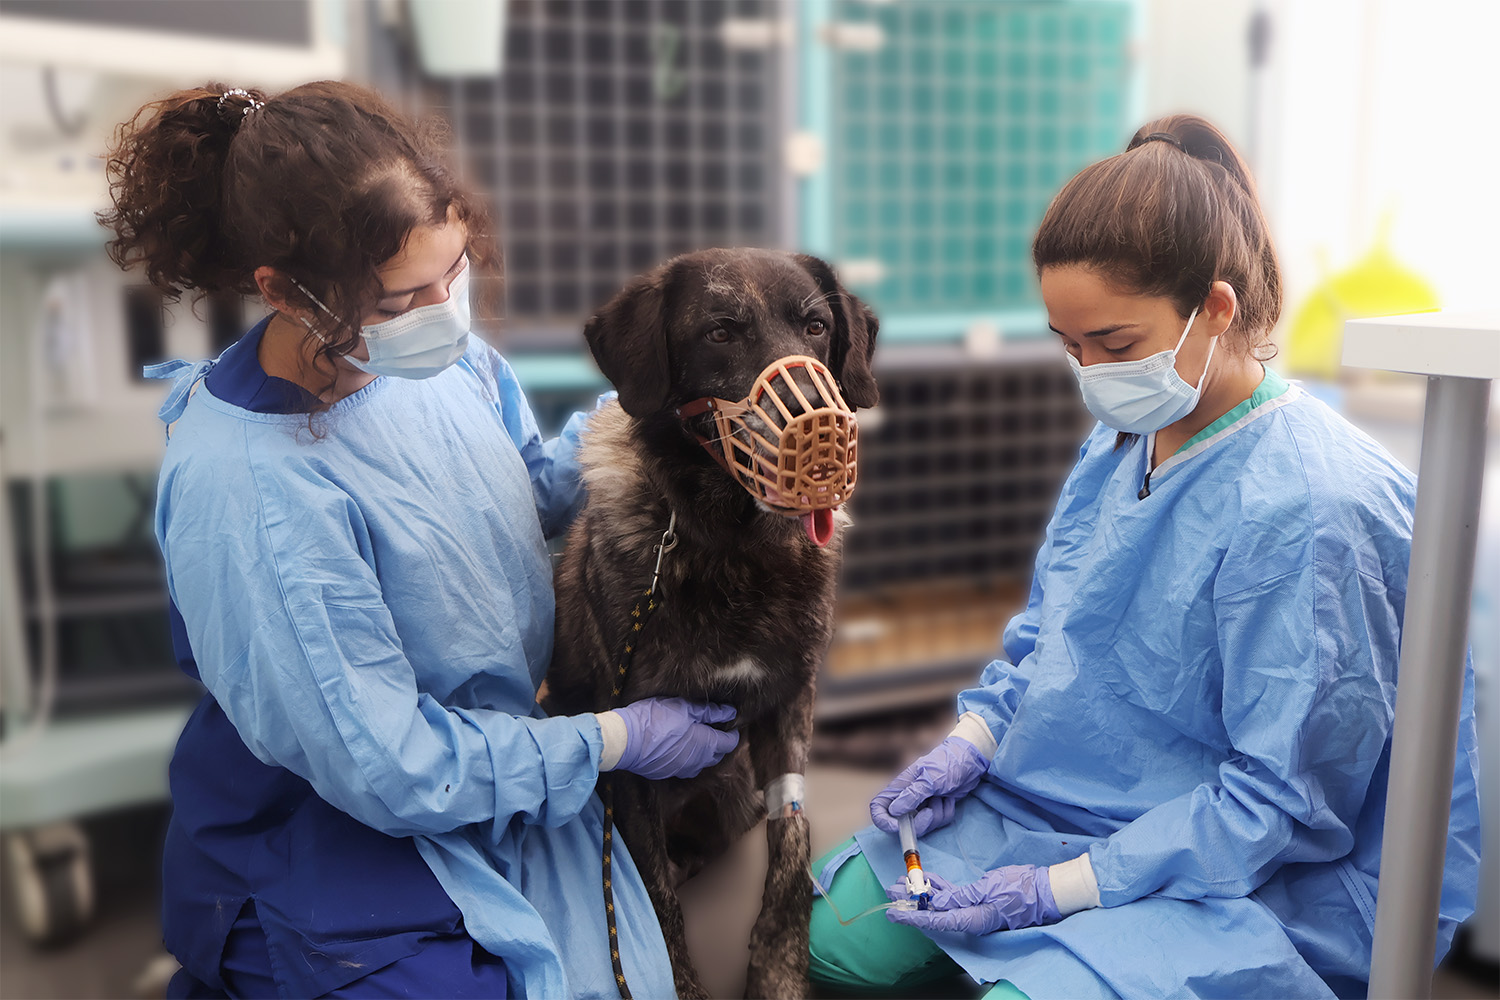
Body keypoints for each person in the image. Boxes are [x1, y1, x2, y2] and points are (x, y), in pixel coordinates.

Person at [807, 114, 1481, 999]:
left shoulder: (1311, 509)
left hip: (1253, 872)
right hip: (1057, 799)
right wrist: (971, 743)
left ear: (1216, 309)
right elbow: (1053, 636)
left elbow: (1279, 806)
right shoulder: (1129, 432)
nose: (1091, 373)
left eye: (1115, 346)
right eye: (1069, 345)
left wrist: (1056, 892)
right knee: (840, 935)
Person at [103, 81, 740, 999]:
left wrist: (645, 419)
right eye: (404, 298)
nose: (445, 310)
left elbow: (508, 496)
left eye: (457, 270)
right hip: (327, 833)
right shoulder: (255, 491)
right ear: (284, 292)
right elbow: (390, 766)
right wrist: (610, 739)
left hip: (492, 769)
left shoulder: (435, 355)